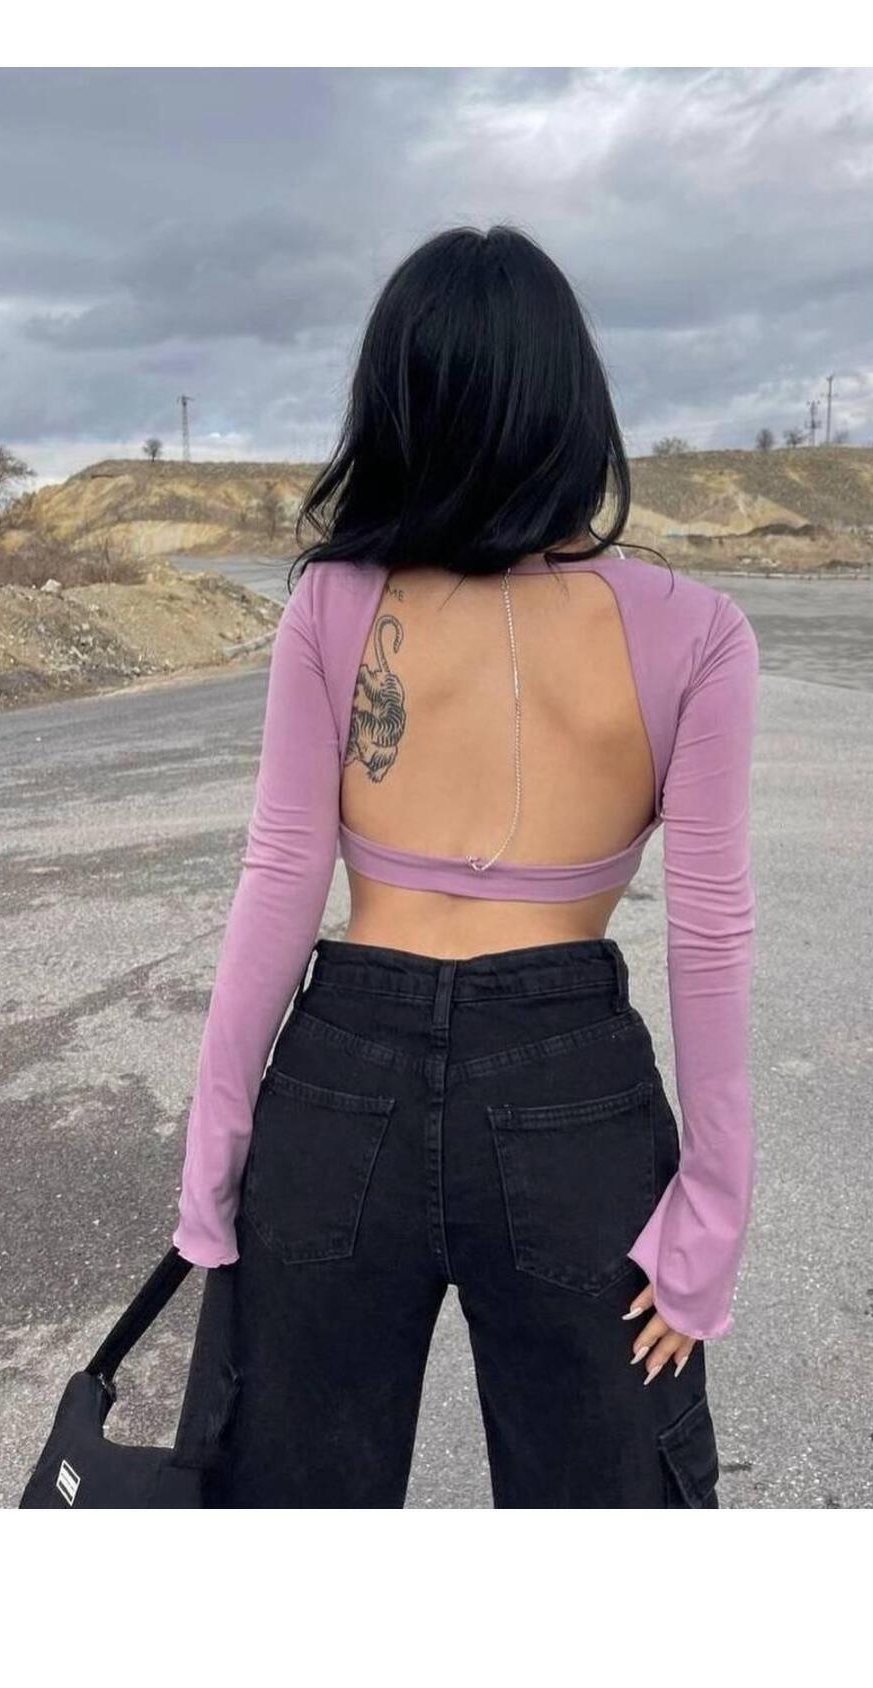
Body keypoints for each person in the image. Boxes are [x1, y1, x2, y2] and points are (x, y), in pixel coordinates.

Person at [170, 224, 759, 1509]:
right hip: (569, 1095)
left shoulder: (334, 604)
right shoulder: (698, 632)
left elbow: (282, 872)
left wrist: (215, 1152)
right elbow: (710, 930)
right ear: (574, 405)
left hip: (339, 1087)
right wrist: (711, 1213)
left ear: (395, 406)